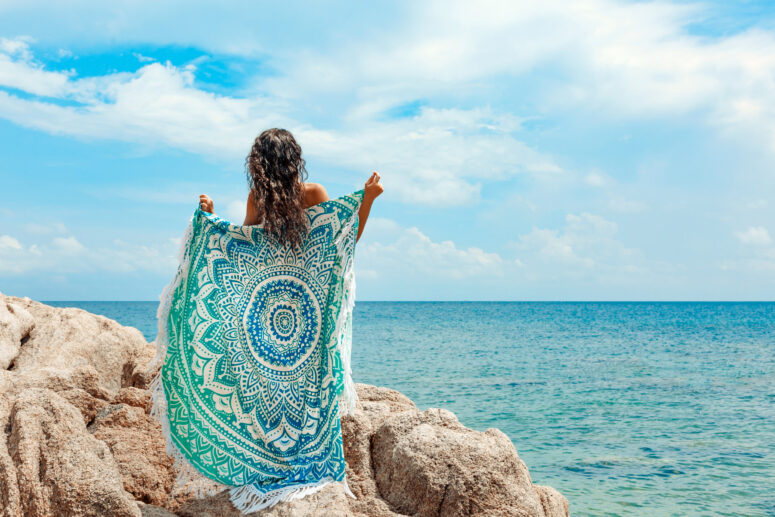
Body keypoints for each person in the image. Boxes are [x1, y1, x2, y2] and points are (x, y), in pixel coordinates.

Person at [197, 128, 383, 243]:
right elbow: (343, 243)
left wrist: (368, 197)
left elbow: (239, 246)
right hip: (306, 295)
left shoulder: (262, 197)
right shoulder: (261, 197)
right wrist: (368, 199)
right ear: (294, 160)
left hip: (275, 297)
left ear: (258, 166)